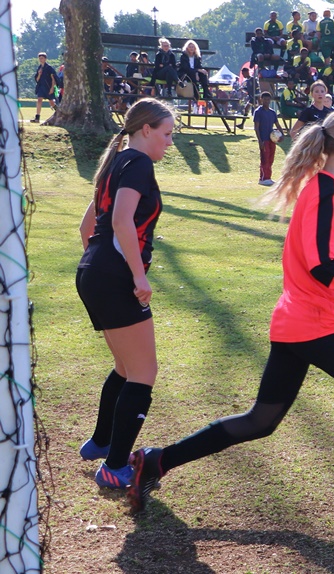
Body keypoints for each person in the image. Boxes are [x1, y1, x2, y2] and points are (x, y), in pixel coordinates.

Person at [126, 109, 334, 529]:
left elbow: (330, 262)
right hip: (315, 324)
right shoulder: (326, 191)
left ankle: (155, 461)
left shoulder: (331, 189)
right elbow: (324, 267)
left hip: (300, 322)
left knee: (262, 420)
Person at [75, 98, 176, 488]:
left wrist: (100, 270)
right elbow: (119, 221)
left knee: (125, 367)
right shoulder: (137, 162)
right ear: (146, 129)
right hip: (112, 277)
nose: (169, 142)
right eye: (166, 134)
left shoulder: (114, 164)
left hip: (93, 273)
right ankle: (115, 468)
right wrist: (137, 276)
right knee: (144, 373)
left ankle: (101, 443)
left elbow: (88, 228)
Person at [254, 92, 284, 186]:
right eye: (265, 99)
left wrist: (282, 134)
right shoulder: (258, 112)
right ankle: (263, 178)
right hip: (264, 139)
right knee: (265, 159)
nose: (267, 101)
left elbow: (277, 124)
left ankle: (268, 177)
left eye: (268, 99)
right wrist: (260, 141)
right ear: (261, 99)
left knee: (271, 159)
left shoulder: (272, 112)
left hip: (271, 139)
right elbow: (256, 127)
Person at [31, 52, 58, 122]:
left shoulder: (49, 68)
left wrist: (52, 88)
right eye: (39, 58)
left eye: (42, 58)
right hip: (41, 87)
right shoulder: (39, 68)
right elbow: (37, 79)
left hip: (48, 87)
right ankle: (37, 117)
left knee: (51, 102)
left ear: (45, 59)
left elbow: (53, 79)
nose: (40, 59)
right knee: (39, 100)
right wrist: (39, 74)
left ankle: (58, 113)